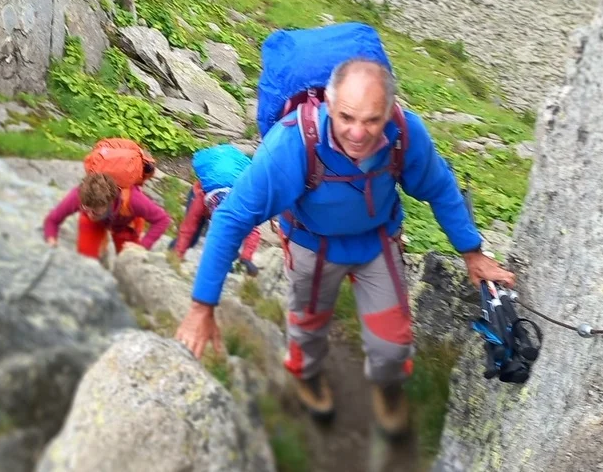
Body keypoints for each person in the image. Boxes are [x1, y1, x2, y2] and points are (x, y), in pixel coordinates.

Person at [174, 57, 515, 438]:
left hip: (376, 244)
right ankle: (308, 379)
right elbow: (233, 217)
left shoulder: (405, 134)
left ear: (390, 111)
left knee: (392, 341)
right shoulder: (292, 142)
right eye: (347, 117)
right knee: (308, 325)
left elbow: (438, 187)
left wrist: (472, 251)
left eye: (372, 120)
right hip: (310, 246)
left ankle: (388, 392)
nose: (358, 133)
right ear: (328, 105)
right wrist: (202, 305)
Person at [44, 171, 171, 260]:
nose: (90, 214)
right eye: (85, 208)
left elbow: (162, 219)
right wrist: (51, 240)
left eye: (95, 211)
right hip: (97, 224)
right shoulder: (78, 196)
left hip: (125, 223)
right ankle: (100, 256)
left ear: (110, 201)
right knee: (86, 259)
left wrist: (143, 246)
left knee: (129, 258)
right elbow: (52, 220)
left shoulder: (133, 200)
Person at [173, 176, 262, 277]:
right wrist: (177, 256)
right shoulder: (202, 198)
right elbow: (188, 229)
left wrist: (246, 258)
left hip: (222, 201)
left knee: (226, 242)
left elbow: (253, 231)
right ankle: (172, 252)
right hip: (200, 193)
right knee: (193, 238)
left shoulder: (242, 208)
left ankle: (226, 265)